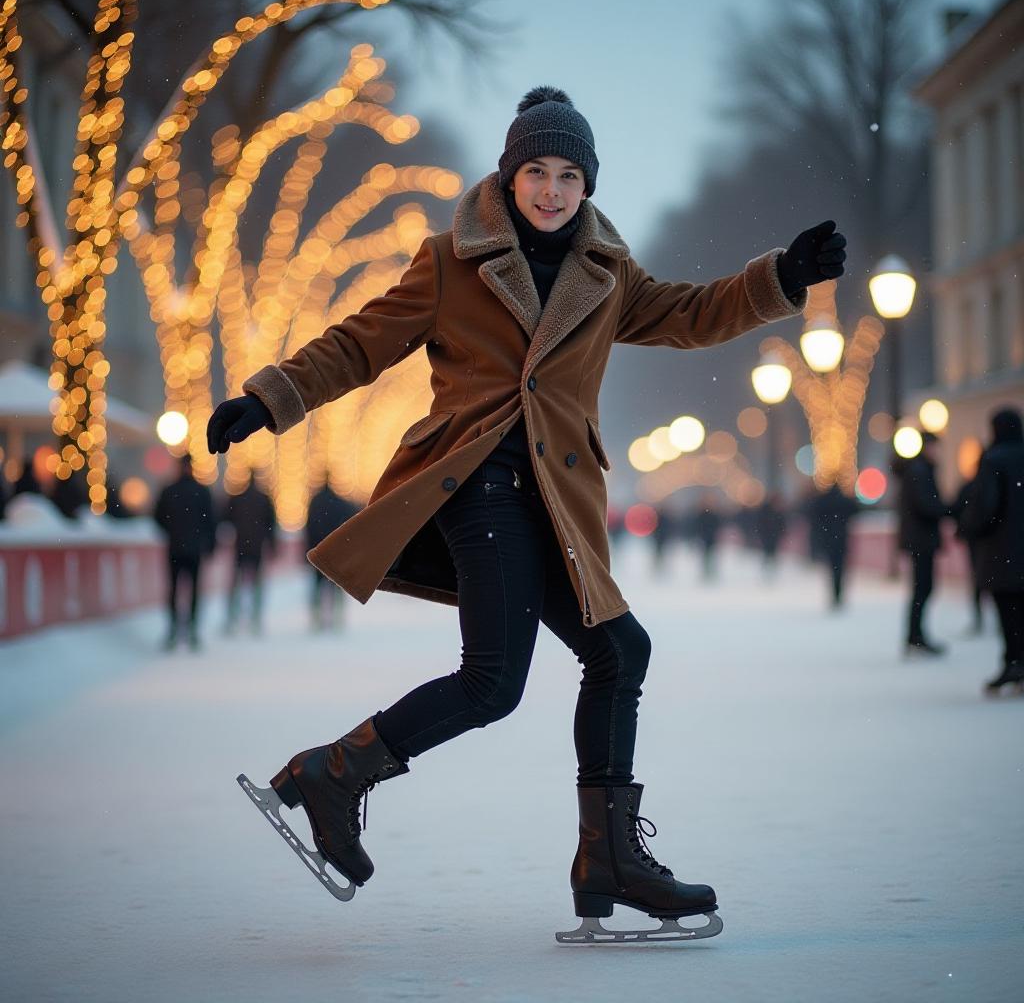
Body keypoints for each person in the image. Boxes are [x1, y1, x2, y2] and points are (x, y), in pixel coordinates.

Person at [209, 86, 846, 941]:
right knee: (494, 681)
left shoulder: (608, 274)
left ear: (588, 185)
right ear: (509, 179)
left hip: (557, 499)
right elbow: (362, 342)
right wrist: (271, 398)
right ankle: (335, 773)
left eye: (569, 175)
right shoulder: (450, 261)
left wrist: (782, 276)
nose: (551, 190)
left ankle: (608, 859)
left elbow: (693, 315)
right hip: (476, 485)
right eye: (536, 172)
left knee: (620, 651)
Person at [960, 407, 1024, 695]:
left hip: (1003, 550)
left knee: (1008, 611)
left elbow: (986, 507)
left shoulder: (994, 460)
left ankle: (1013, 663)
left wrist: (969, 528)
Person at [154, 454, 216, 651]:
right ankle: (192, 630)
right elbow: (211, 521)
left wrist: (172, 532)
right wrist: (208, 544)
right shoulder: (202, 492)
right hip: (195, 550)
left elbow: (158, 517)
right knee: (194, 591)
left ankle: (173, 629)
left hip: (175, 548)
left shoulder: (169, 491)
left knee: (173, 590)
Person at [897, 432, 949, 656]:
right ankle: (915, 636)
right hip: (921, 539)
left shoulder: (917, 470)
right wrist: (950, 509)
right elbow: (926, 505)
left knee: (922, 588)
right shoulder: (920, 471)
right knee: (923, 588)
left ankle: (915, 635)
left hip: (918, 538)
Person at [223, 474, 278, 635]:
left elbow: (226, 519)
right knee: (257, 585)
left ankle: (232, 618)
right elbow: (271, 526)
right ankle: (256, 618)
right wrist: (272, 547)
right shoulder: (264, 500)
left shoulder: (237, 498)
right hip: (257, 548)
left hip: (240, 547)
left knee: (236, 585)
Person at [305, 481, 360, 630]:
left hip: (318, 551)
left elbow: (309, 528)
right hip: (336, 552)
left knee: (317, 586)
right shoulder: (341, 504)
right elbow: (350, 527)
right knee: (337, 586)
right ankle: (338, 618)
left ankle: (316, 619)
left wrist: (308, 551)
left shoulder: (315, 504)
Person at [809, 484, 860, 609]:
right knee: (840, 568)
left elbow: (815, 516)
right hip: (842, 538)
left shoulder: (823, 500)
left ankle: (834, 593)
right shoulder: (844, 501)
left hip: (828, 539)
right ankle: (838, 593)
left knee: (832, 568)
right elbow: (856, 510)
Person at [952, 467, 986, 635]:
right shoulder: (982, 486)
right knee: (991, 579)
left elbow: (956, 509)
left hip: (976, 539)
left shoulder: (970, 487)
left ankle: (979, 616)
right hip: (988, 540)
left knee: (978, 577)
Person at [691, 493, 724, 582]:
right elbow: (697, 526)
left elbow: (718, 525)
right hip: (704, 538)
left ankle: (711, 571)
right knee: (705, 555)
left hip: (711, 537)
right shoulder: (701, 513)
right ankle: (706, 571)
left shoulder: (714, 513)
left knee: (711, 555)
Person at [754, 492, 787, 575]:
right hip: (767, 534)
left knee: (772, 551)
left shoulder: (778, 510)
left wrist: (782, 532)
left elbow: (781, 523)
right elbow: (760, 522)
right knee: (767, 551)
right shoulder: (766, 510)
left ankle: (771, 568)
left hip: (774, 535)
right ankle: (767, 568)